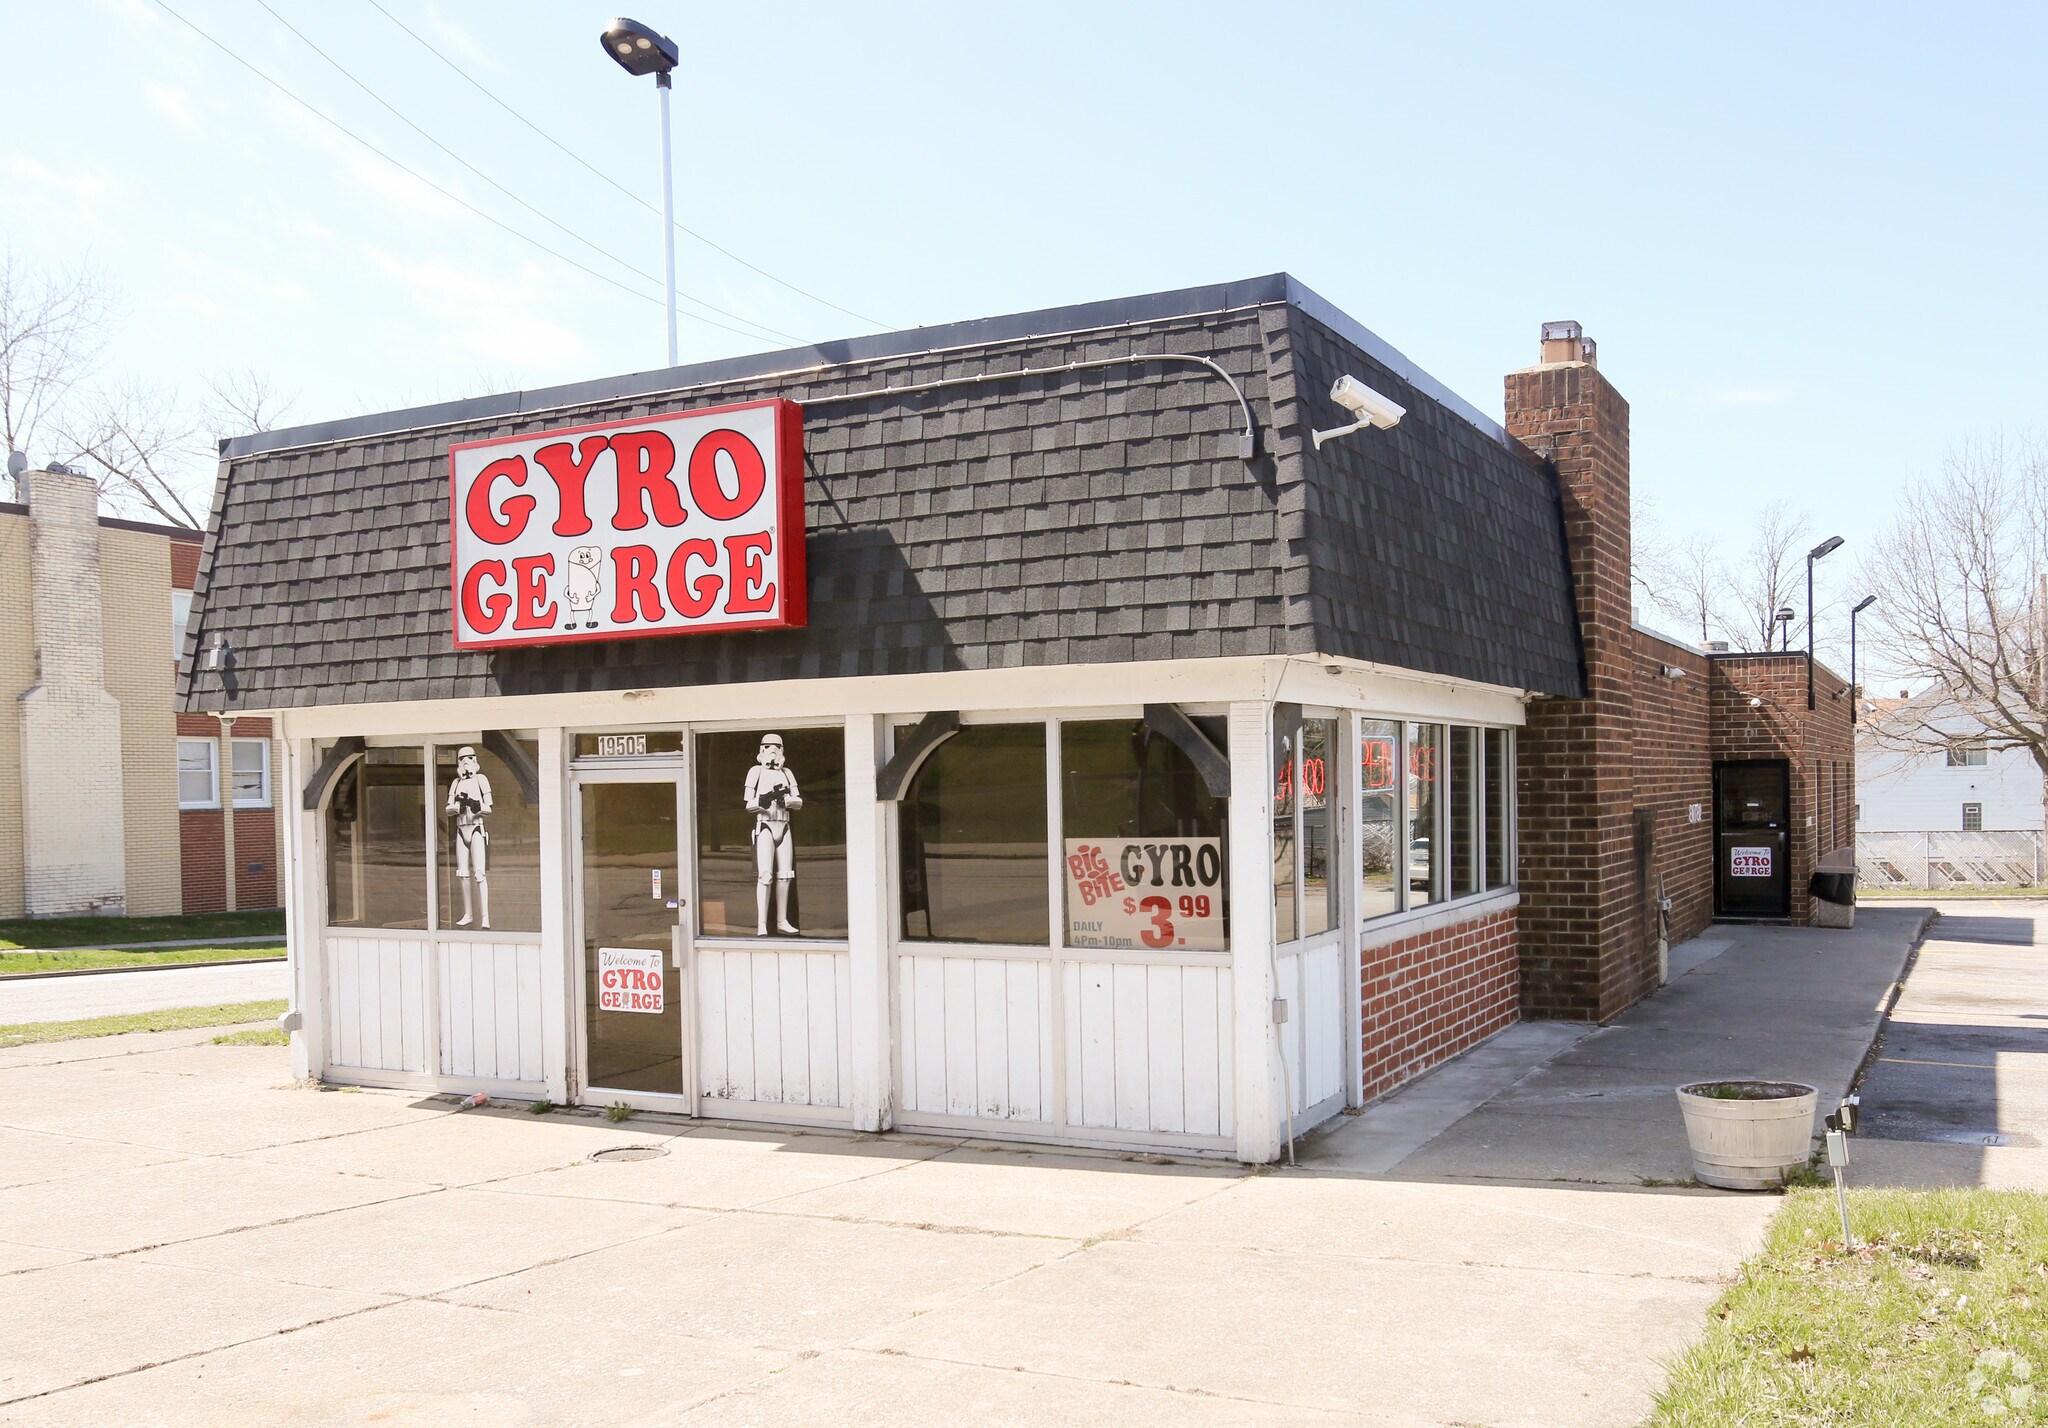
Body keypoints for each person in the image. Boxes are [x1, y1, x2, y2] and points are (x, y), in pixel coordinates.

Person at [743, 733, 802, 934]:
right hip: (765, 824)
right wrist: (762, 803)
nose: (773, 751)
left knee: (785, 875)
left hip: (784, 825)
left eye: (777, 747)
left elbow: (798, 800)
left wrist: (788, 801)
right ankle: (761, 924)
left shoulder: (787, 773)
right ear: (762, 749)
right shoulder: (756, 772)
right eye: (769, 747)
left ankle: (781, 920)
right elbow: (748, 803)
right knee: (765, 876)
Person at [445, 745, 493, 928]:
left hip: (476, 828)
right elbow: (449, 808)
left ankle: (485, 917)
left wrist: (476, 806)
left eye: (469, 758)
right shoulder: (456, 783)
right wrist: (458, 807)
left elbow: (489, 807)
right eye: (462, 759)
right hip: (461, 828)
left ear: (474, 760)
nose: (466, 763)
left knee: (479, 873)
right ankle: (469, 913)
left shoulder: (481, 779)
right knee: (463, 874)